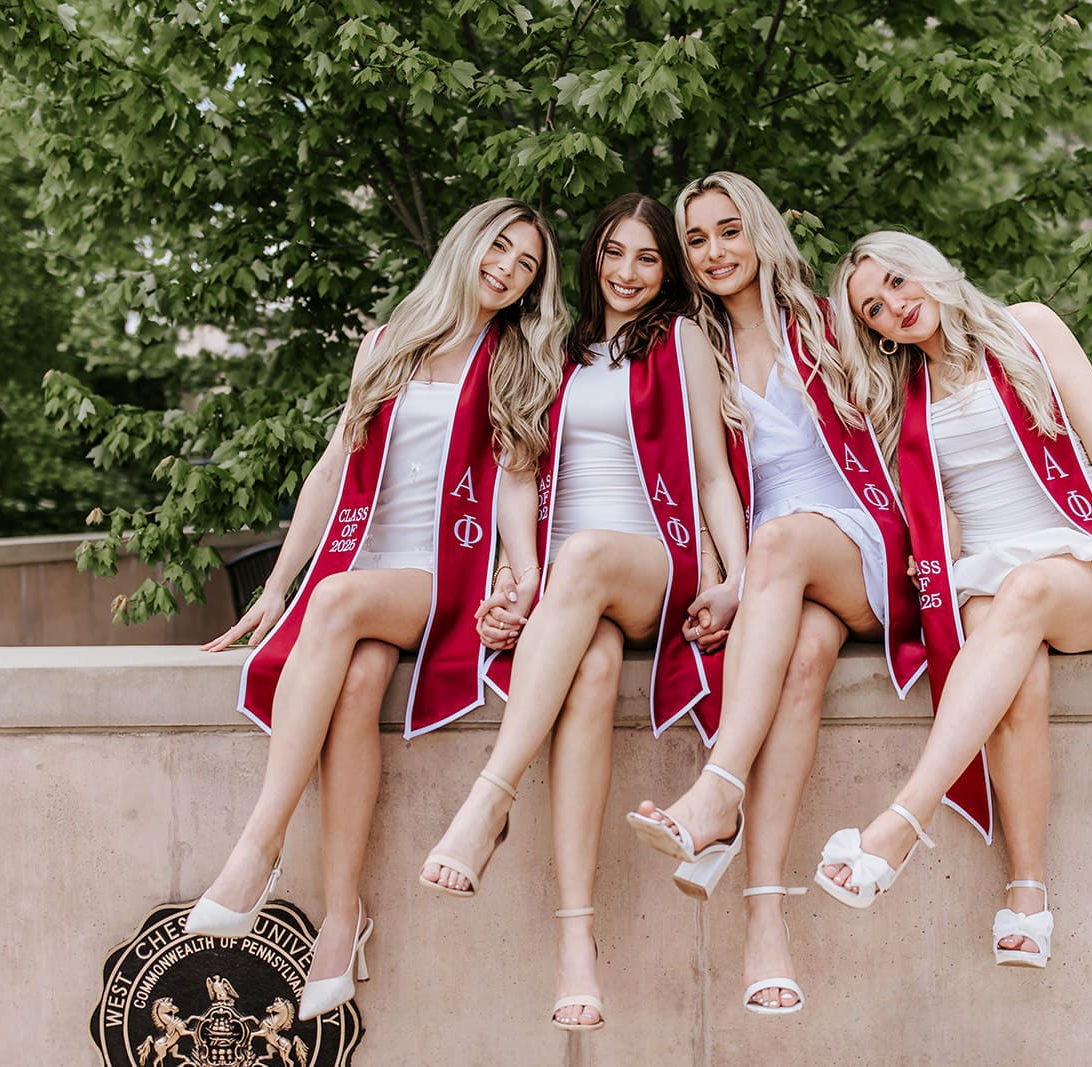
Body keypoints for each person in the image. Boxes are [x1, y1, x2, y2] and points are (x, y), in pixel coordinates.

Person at [187, 198, 568, 1020]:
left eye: (527, 263)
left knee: (340, 599)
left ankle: (258, 847)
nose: (507, 268)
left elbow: (514, 476)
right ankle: (342, 917)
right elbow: (332, 471)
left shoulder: (513, 359)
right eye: (498, 247)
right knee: (358, 684)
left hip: (444, 575)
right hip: (361, 572)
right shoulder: (387, 346)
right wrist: (278, 587)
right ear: (468, 246)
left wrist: (525, 572)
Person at [816, 229, 1092, 967]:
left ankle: (898, 825)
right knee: (1014, 670)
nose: (893, 306)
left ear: (928, 266)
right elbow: (937, 520)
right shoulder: (905, 395)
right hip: (986, 577)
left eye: (899, 282)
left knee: (1022, 590)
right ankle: (1028, 901)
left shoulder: (1029, 328)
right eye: (872, 306)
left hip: (1085, 561)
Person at [417, 193, 748, 1033]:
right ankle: (577, 947)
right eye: (615, 253)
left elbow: (712, 473)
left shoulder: (680, 342)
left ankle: (491, 795)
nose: (629, 273)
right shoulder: (547, 348)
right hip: (566, 586)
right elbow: (516, 474)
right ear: (593, 256)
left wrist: (735, 579)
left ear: (667, 269)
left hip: (650, 560)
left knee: (590, 552)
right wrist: (516, 581)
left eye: (647, 258)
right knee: (592, 672)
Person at [626, 171, 917, 1015]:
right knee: (805, 659)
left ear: (757, 231)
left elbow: (901, 438)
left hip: (867, 546)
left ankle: (717, 790)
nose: (716, 251)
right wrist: (731, 581)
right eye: (698, 241)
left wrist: (755, 569)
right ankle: (765, 926)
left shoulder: (828, 325)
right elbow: (716, 480)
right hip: (781, 567)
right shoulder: (699, 348)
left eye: (729, 230)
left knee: (783, 541)